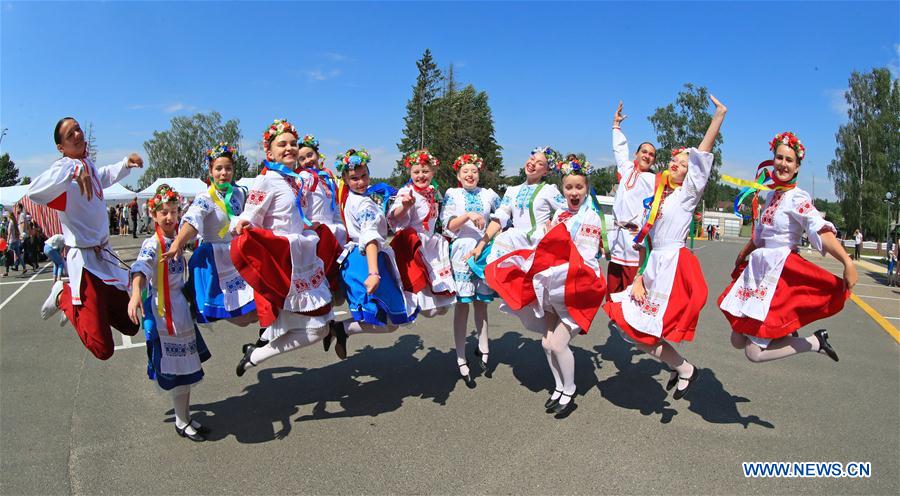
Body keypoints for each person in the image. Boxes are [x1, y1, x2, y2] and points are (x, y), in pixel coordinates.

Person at [604, 94, 728, 400]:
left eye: (682, 164)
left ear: (690, 174)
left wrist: (717, 118)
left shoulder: (688, 196)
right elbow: (646, 241)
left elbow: (702, 158)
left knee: (643, 332)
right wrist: (637, 278)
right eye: (673, 161)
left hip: (672, 266)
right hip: (653, 267)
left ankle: (684, 368)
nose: (676, 165)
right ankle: (682, 368)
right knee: (630, 327)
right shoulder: (658, 198)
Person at [720, 132, 857, 364]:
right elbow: (761, 234)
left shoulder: (797, 197)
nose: (783, 164)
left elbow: (819, 229)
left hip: (779, 272)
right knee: (736, 339)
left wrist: (847, 261)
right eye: (779, 158)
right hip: (759, 269)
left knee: (753, 352)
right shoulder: (772, 193)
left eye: (789, 160)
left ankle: (815, 342)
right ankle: (783, 331)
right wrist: (744, 252)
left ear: (797, 168)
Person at [486, 156, 607, 417]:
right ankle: (559, 388)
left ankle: (570, 391)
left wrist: (555, 241)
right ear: (563, 189)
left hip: (577, 286)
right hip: (555, 284)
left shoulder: (591, 217)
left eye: (579, 187)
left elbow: (584, 255)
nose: (574, 192)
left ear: (587, 189)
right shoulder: (560, 214)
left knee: (559, 344)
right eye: (569, 187)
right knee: (547, 343)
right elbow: (545, 243)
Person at [30, 117, 144, 360]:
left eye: (78, 129)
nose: (78, 135)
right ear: (61, 148)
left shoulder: (88, 165)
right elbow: (34, 192)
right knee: (103, 349)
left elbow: (102, 176)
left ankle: (93, 309)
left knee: (131, 324)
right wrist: (72, 168)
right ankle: (62, 295)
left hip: (104, 257)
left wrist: (126, 164)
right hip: (85, 264)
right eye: (71, 134)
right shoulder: (64, 170)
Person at [231, 119, 335, 377]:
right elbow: (251, 216)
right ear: (270, 152)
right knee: (317, 327)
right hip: (282, 261)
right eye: (282, 144)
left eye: (292, 144)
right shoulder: (266, 180)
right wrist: (242, 224)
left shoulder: (295, 180)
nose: (289, 148)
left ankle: (255, 354)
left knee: (319, 326)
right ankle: (255, 354)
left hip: (300, 257)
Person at [128, 185, 211, 442]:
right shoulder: (152, 243)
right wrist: (134, 295)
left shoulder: (179, 239)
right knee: (177, 368)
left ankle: (183, 417)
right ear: (153, 215)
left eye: (174, 212)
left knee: (186, 366)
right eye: (164, 212)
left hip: (180, 309)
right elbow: (141, 267)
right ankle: (182, 420)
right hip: (164, 311)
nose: (169, 217)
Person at [322, 148, 416, 359]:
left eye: (363, 176)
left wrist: (405, 207)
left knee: (390, 319)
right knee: (390, 320)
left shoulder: (359, 198)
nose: (360, 182)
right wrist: (374, 272)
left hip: (362, 258)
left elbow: (388, 220)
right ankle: (342, 329)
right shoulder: (362, 202)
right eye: (354, 178)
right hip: (365, 260)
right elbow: (370, 236)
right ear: (345, 179)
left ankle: (342, 329)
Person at [162, 142, 256, 326]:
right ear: (211, 171)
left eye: (228, 168)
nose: (224, 173)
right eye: (219, 168)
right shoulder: (205, 198)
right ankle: (194, 292)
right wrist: (178, 243)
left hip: (237, 253)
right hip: (215, 256)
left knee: (255, 310)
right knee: (241, 317)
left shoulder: (239, 193)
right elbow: (193, 221)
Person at [440, 153, 501, 385]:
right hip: (462, 251)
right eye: (465, 171)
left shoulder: (489, 194)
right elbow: (448, 225)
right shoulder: (452, 194)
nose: (470, 174)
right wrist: (467, 215)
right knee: (463, 307)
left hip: (484, 251)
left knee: (482, 304)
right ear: (458, 175)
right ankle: (460, 358)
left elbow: (502, 218)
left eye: (474, 170)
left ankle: (484, 347)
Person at [387, 149, 456, 317]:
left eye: (425, 171)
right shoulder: (407, 192)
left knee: (442, 306)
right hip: (414, 247)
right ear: (410, 173)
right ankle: (400, 309)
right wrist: (405, 205)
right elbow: (393, 216)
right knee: (429, 308)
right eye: (416, 172)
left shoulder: (431, 191)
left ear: (433, 172)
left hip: (431, 244)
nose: (421, 176)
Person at [608, 101, 657, 299]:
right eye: (644, 151)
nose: (647, 155)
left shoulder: (654, 179)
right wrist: (616, 125)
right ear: (636, 154)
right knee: (612, 293)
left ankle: (628, 328)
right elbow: (619, 150)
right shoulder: (626, 169)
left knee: (630, 294)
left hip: (635, 241)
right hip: (616, 238)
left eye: (652, 155)